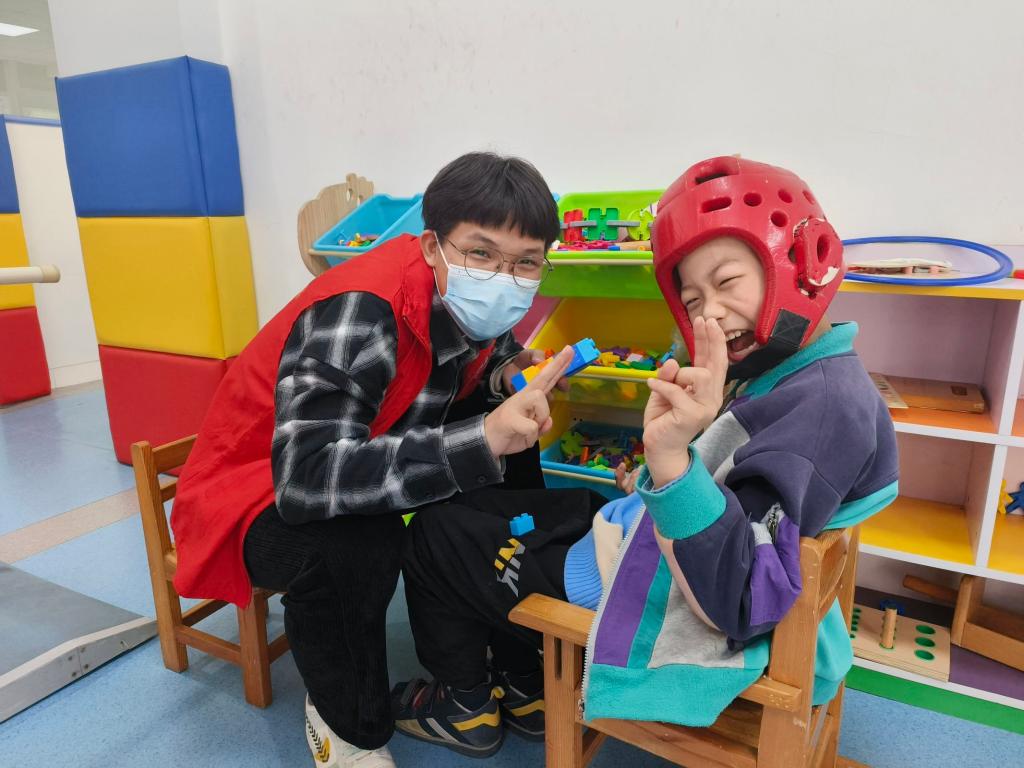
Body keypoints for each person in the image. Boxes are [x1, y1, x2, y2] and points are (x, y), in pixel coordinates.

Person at [395, 156, 899, 756]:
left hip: (641, 594)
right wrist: (660, 477)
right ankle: (526, 690)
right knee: (525, 507)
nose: (709, 313)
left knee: (434, 533)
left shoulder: (820, 410)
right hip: (636, 545)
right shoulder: (811, 374)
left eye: (727, 282)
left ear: (804, 262)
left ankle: (466, 708)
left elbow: (741, 596)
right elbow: (742, 491)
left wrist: (671, 462)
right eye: (693, 298)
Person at [169, 152, 576, 767]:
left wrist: (509, 376)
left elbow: (478, 362)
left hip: (371, 440)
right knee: (358, 542)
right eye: (482, 253)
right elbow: (306, 481)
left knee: (513, 454)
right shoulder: (362, 310)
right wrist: (479, 439)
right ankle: (347, 726)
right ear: (433, 246)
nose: (504, 278)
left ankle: (513, 669)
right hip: (255, 490)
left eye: (526, 262)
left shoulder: (469, 295)